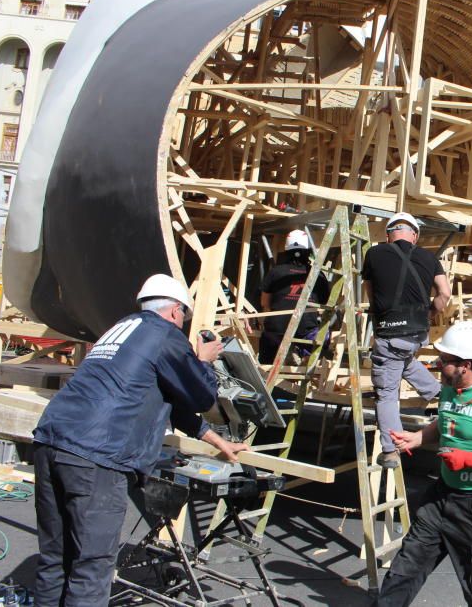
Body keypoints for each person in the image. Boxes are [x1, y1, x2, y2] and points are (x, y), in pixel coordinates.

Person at [32, 273, 247, 607]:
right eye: (182, 318)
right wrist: (202, 361)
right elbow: (201, 396)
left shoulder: (122, 330)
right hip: (96, 457)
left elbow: (168, 402)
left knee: (55, 557)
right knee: (91, 567)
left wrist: (218, 442)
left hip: (52, 441)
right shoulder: (164, 334)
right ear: (175, 311)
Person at [377, 321, 472, 607]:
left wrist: (469, 459)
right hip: (441, 495)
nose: (437, 364)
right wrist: (417, 438)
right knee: (405, 568)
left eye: (444, 361)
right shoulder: (449, 388)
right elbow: (445, 420)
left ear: (465, 365)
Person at [361, 212, 451, 467]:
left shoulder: (375, 254)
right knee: (403, 359)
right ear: (415, 235)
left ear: (389, 235)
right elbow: (445, 293)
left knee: (387, 393)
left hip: (390, 331)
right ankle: (440, 393)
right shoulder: (429, 258)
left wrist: (381, 314)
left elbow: (370, 291)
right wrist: (430, 312)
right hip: (416, 332)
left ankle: (390, 450)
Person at [258, 229, 330, 363]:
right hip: (306, 332)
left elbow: (265, 303)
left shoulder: (275, 272)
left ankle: (268, 373)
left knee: (267, 359)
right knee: (322, 337)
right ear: (307, 250)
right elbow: (324, 302)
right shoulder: (317, 275)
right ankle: (305, 359)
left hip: (277, 330)